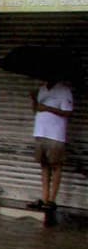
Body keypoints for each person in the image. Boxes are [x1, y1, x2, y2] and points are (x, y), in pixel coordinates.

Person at [26, 75, 73, 211]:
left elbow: (68, 112)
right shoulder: (42, 89)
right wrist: (34, 99)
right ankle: (45, 198)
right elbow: (36, 110)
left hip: (55, 135)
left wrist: (47, 108)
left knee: (56, 166)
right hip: (40, 132)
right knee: (44, 165)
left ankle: (52, 200)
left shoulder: (64, 91)